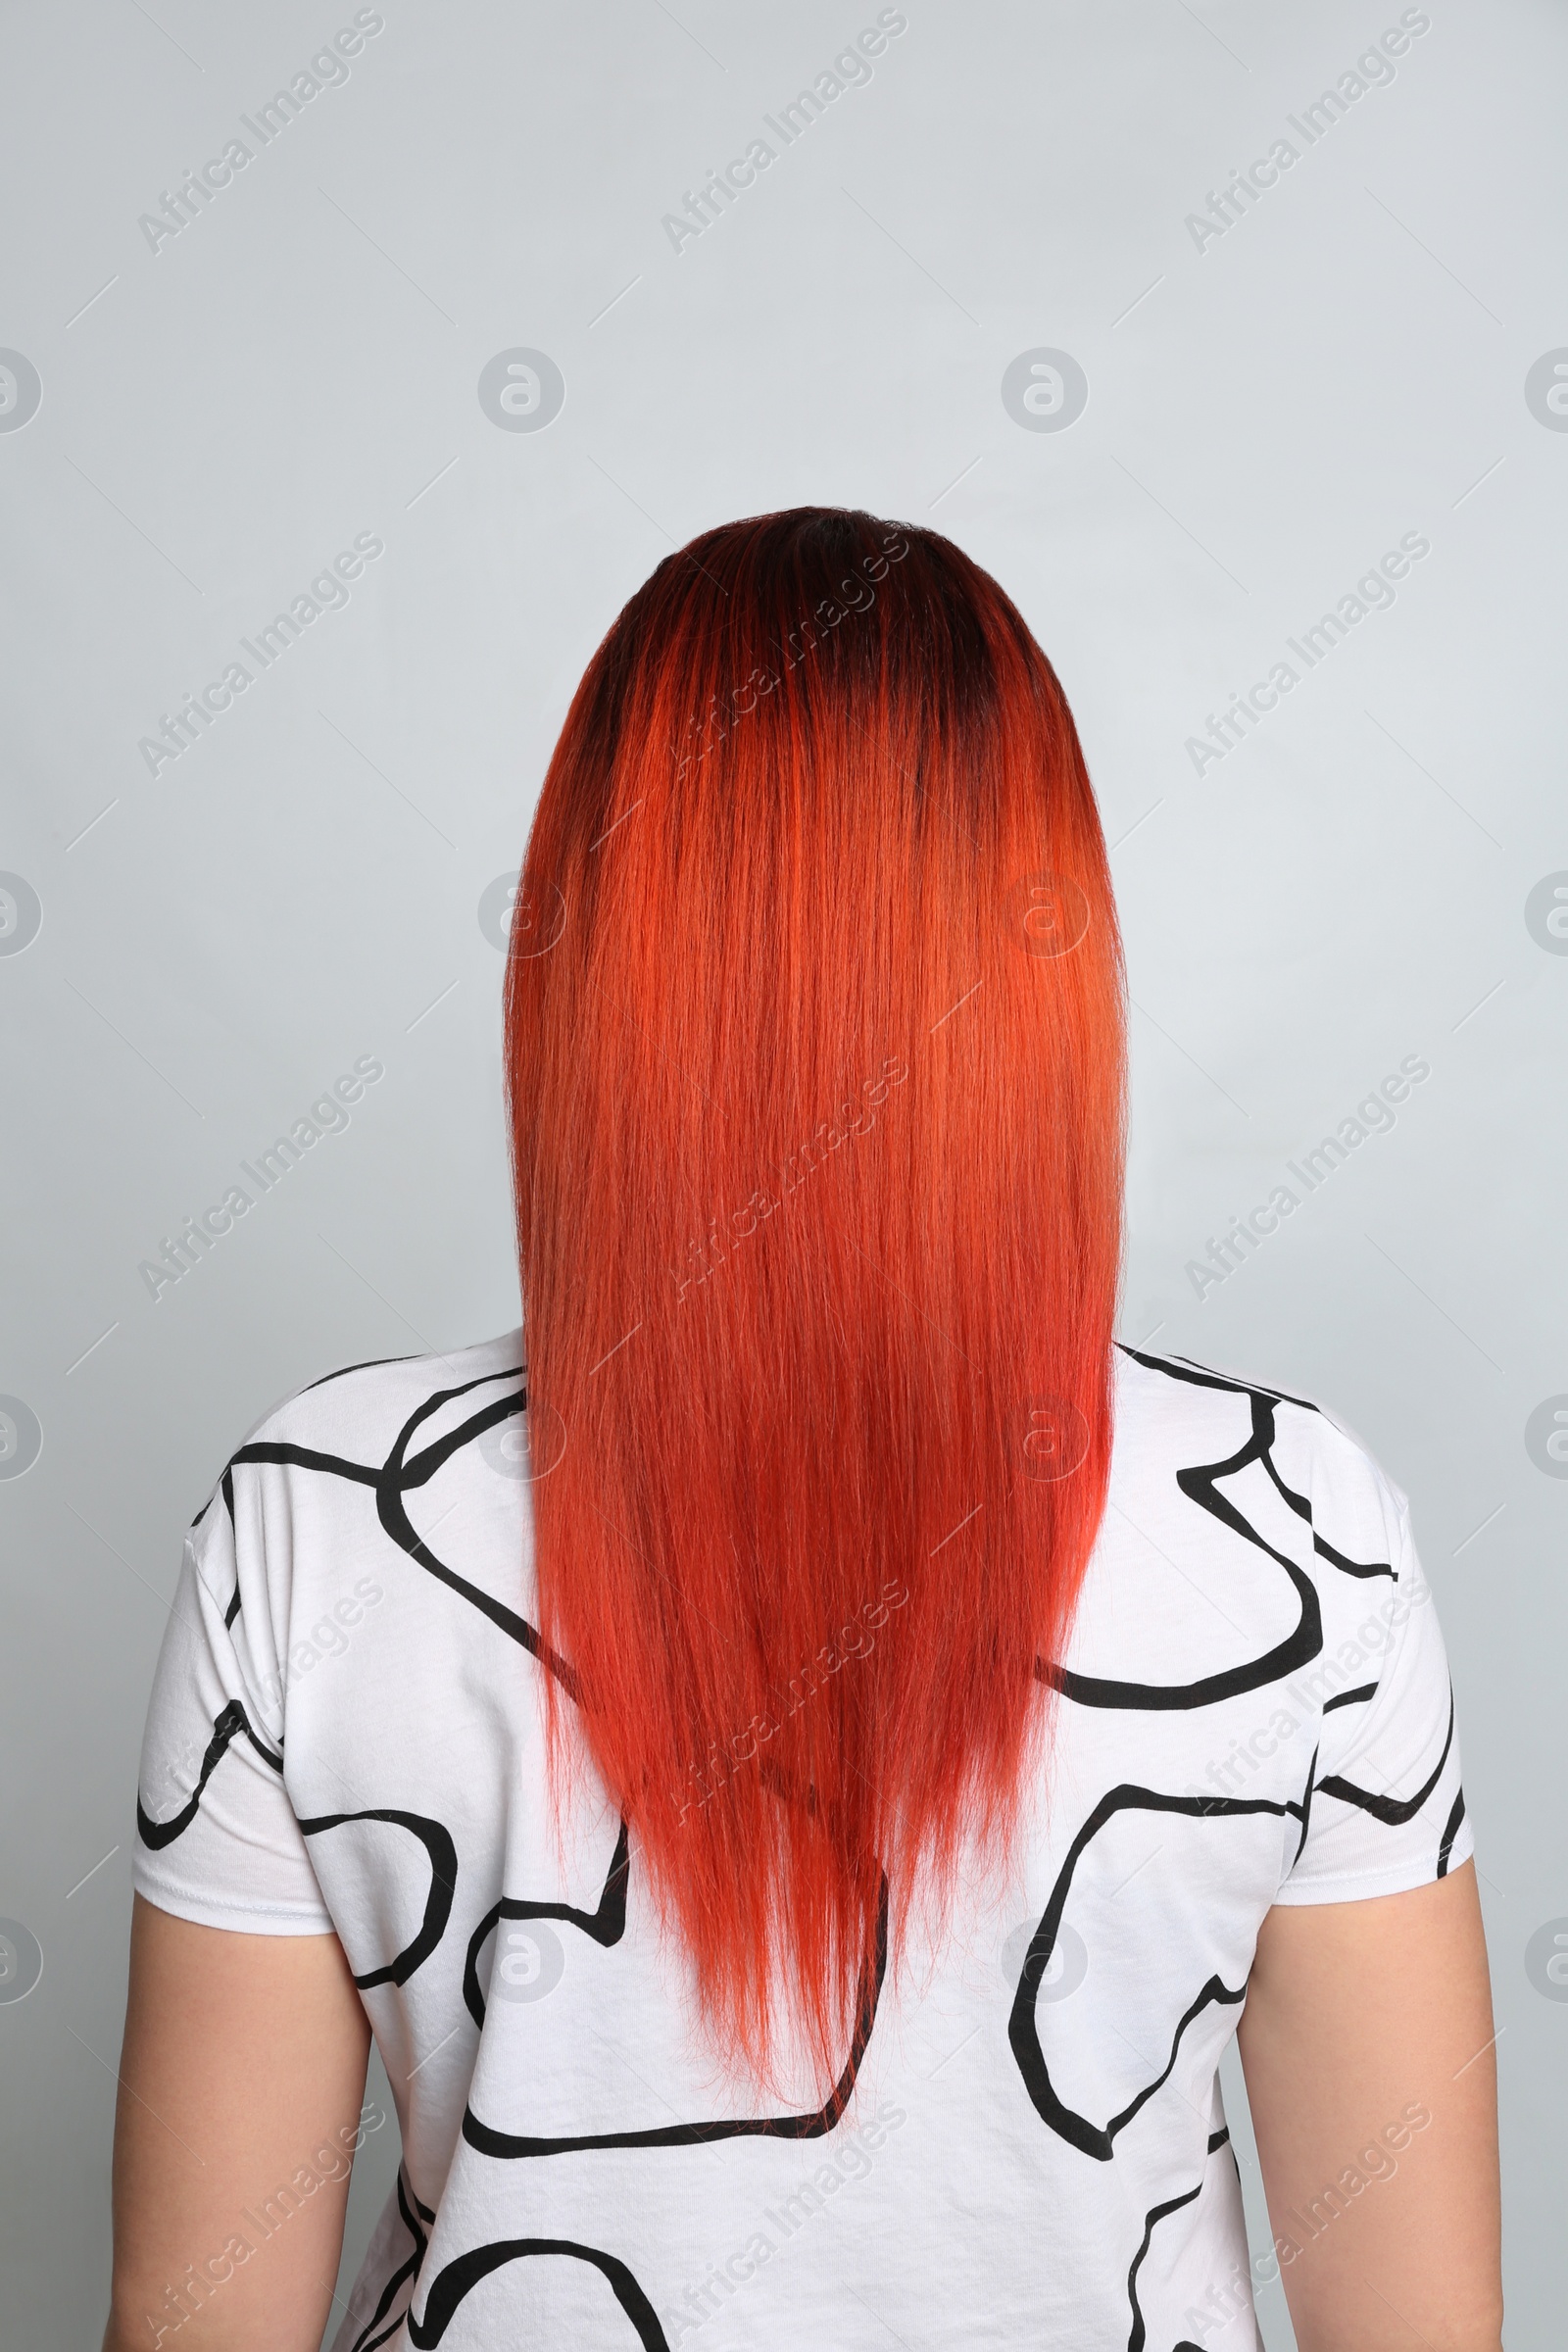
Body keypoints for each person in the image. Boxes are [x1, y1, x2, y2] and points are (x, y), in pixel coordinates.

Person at [105, 509, 1503, 2352]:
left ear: (588, 955)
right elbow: (1416, 2329)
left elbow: (198, 2326)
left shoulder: (320, 1526)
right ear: (1047, 960)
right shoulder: (1299, 1537)